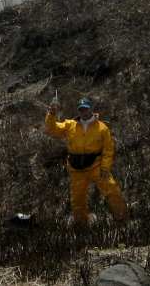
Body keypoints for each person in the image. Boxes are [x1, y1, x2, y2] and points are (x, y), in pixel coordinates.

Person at [44, 96, 128, 225]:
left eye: (86, 109)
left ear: (91, 109)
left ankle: (122, 219)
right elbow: (52, 129)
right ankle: (81, 225)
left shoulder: (102, 128)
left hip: (97, 166)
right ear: (78, 110)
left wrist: (105, 167)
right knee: (77, 199)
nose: (83, 111)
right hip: (76, 168)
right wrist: (51, 114)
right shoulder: (70, 125)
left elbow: (108, 149)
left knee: (112, 190)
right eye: (81, 109)